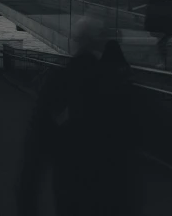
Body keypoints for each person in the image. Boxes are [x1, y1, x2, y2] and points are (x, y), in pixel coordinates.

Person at [17, 19, 139, 216]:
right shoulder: (119, 85)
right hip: (113, 185)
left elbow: (37, 143)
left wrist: (27, 199)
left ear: (78, 42)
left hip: (71, 181)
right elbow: (132, 142)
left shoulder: (61, 80)